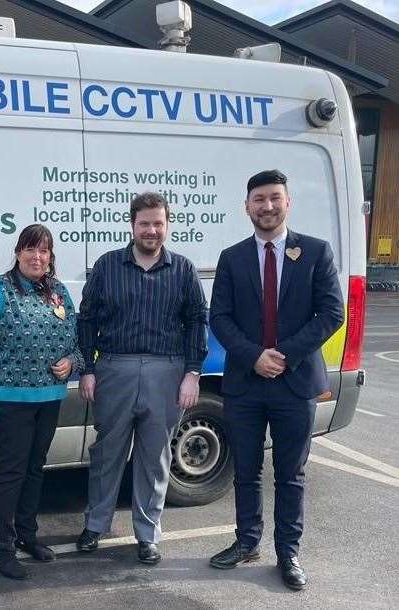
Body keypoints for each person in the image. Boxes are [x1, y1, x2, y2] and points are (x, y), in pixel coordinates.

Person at [208, 170, 344, 590]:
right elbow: (220, 318)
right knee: (245, 471)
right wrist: (254, 357)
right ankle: (247, 541)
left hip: (295, 382)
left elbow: (332, 313)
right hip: (246, 383)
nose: (266, 206)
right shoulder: (232, 258)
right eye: (258, 199)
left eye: (274, 198)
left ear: (288, 202)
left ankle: (289, 553)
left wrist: (283, 356)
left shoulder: (316, 252)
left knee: (290, 474)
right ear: (246, 206)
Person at [75, 192, 208, 564]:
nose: (152, 230)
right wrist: (87, 368)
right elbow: (86, 320)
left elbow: (198, 321)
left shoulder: (182, 269)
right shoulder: (107, 266)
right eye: (145, 223)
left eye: (158, 224)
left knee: (155, 457)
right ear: (132, 225)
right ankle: (95, 525)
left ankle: (148, 534)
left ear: (167, 225)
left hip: (167, 371)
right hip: (114, 368)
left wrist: (192, 374)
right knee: (107, 452)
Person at [0, 224, 83, 580]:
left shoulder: (59, 293)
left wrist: (72, 362)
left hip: (49, 398)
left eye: (44, 251)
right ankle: (1, 550)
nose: (37, 257)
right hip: (9, 400)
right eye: (30, 249)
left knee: (35, 468)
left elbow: (76, 342)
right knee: (10, 474)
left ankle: (27, 537)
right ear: (17, 253)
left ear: (51, 257)